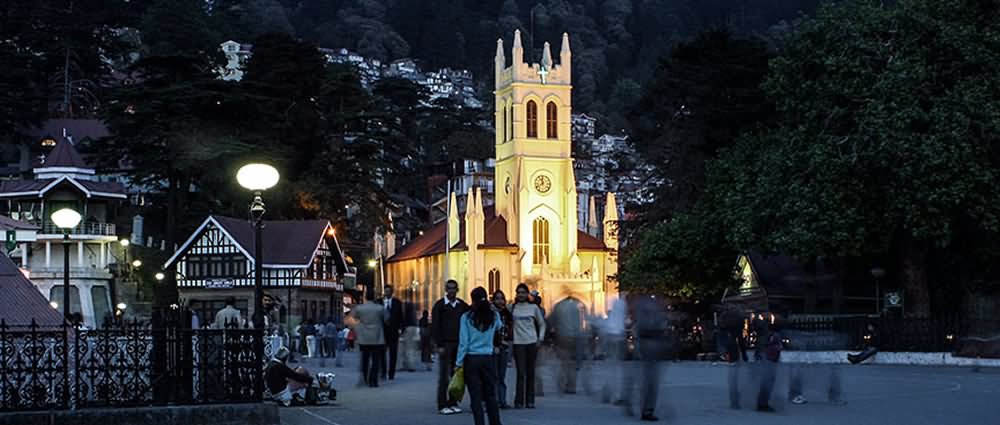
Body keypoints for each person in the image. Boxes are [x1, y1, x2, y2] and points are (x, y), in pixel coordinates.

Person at [456, 287, 503, 425]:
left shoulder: (466, 317)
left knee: (475, 397)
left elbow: (463, 342)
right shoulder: (493, 316)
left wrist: (458, 362)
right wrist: (494, 310)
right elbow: (500, 327)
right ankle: (495, 422)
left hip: (471, 359)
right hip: (488, 358)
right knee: (490, 395)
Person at [625, 295, 668, 422]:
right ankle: (647, 409)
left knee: (644, 378)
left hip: (645, 345)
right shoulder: (651, 307)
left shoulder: (642, 305)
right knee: (650, 379)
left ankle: (639, 405)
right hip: (650, 345)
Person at [432, 279, 469, 415]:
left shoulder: (462, 305)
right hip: (445, 344)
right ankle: (442, 404)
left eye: (454, 288)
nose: (451, 291)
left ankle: (453, 402)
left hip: (459, 345)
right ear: (445, 290)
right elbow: (435, 326)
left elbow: (472, 314)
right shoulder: (440, 306)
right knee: (443, 376)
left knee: (456, 375)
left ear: (457, 290)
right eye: (449, 288)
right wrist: (439, 345)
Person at [510, 283, 546, 408]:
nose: (521, 295)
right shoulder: (512, 308)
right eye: (518, 292)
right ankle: (519, 401)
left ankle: (530, 400)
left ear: (527, 294)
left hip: (531, 342)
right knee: (521, 373)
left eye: (523, 292)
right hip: (518, 343)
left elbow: (542, 324)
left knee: (530, 373)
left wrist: (540, 339)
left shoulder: (533, 308)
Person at [351, 289, 386, 387]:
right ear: (374, 297)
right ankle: (373, 380)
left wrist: (358, 327)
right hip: (377, 337)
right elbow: (387, 319)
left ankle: (365, 378)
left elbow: (353, 318)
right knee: (375, 360)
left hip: (364, 337)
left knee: (365, 359)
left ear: (365, 297)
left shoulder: (359, 308)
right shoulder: (380, 308)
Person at [550, 292, 584, 394]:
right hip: (575, 337)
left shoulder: (559, 305)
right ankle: (571, 386)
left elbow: (552, 320)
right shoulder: (578, 305)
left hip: (563, 337)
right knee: (572, 363)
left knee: (564, 362)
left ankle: (564, 384)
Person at [601, 297, 630, 405]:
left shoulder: (612, 313)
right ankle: (615, 396)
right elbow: (626, 322)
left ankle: (607, 393)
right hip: (618, 338)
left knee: (611, 367)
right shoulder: (622, 306)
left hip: (610, 337)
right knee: (617, 368)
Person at [718, 306, 748, 409]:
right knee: (736, 377)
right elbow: (740, 339)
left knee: (733, 377)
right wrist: (744, 354)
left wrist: (722, 350)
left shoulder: (724, 319)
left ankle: (734, 400)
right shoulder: (738, 320)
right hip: (734, 351)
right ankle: (736, 400)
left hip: (730, 350)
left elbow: (720, 337)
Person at [753, 315, 782, 412]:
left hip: (768, 359)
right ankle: (762, 404)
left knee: (767, 382)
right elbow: (768, 347)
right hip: (768, 360)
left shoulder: (764, 334)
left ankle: (763, 403)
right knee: (767, 382)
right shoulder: (769, 335)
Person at [492, 290, 514, 408]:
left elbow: (510, 330)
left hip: (504, 347)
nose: (500, 301)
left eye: (502, 298)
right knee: (494, 375)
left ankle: (502, 400)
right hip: (493, 347)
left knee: (502, 376)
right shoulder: (490, 313)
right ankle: (494, 401)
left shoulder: (507, 314)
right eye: (497, 298)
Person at [381, 285, 405, 380]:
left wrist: (401, 329)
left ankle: (391, 373)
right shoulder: (379, 302)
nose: (387, 293)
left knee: (393, 353)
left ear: (392, 292)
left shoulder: (397, 302)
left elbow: (401, 317)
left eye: (389, 291)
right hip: (382, 332)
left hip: (394, 332)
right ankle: (383, 372)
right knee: (382, 353)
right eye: (386, 291)